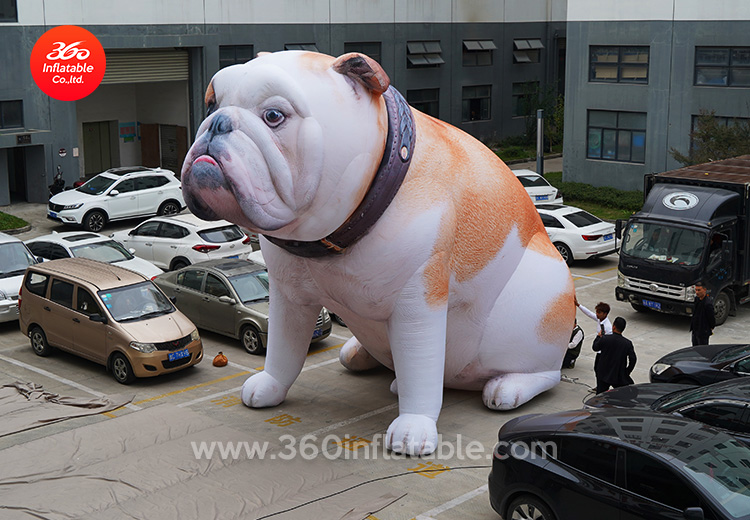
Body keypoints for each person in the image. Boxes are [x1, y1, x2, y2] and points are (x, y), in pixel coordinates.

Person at [592, 316, 637, 394]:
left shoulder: (605, 339)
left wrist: (598, 337)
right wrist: (626, 371)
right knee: (624, 394)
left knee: (600, 395)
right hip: (618, 374)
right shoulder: (627, 343)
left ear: (614, 326)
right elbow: (633, 359)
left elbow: (595, 347)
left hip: (603, 373)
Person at [690, 281, 715, 346]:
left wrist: (711, 327)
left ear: (704, 290)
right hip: (695, 329)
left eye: (699, 290)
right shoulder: (697, 299)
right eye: (696, 290)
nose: (697, 292)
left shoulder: (707, 304)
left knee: (702, 348)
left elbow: (711, 318)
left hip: (703, 331)